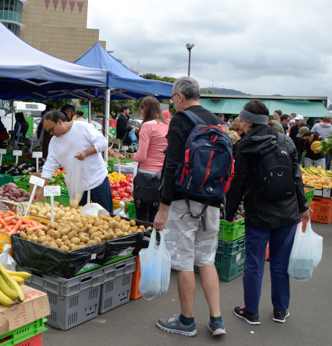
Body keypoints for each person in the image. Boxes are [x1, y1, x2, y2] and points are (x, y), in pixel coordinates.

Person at [225, 99, 310, 326]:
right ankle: (280, 311)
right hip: (287, 211)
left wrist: (229, 212)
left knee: (254, 263)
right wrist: (303, 208)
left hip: (258, 213)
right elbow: (296, 179)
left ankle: (251, 312)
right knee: (280, 264)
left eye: (242, 119)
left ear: (249, 122)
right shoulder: (287, 141)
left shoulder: (244, 146)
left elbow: (238, 183)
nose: (240, 123)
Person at [154, 77, 226, 337]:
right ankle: (217, 320)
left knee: (184, 262)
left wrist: (163, 208)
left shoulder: (181, 121)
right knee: (206, 260)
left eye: (173, 98)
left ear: (180, 96)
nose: (173, 103)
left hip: (184, 203)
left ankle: (186, 322)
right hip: (213, 202)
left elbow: (172, 165)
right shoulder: (217, 121)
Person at [35, 110, 112, 212]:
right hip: (77, 187)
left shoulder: (83, 127)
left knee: (107, 216)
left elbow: (103, 142)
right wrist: (41, 188)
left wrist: (86, 152)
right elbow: (49, 165)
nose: (51, 134)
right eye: (48, 131)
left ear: (59, 122)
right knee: (80, 220)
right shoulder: (54, 142)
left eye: (51, 130)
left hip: (98, 180)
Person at [131, 97, 169, 223]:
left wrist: (133, 156)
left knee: (142, 218)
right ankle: (154, 242)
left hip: (146, 178)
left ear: (145, 109)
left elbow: (141, 156)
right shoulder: (168, 124)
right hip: (162, 177)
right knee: (155, 216)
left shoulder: (147, 126)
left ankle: (143, 243)